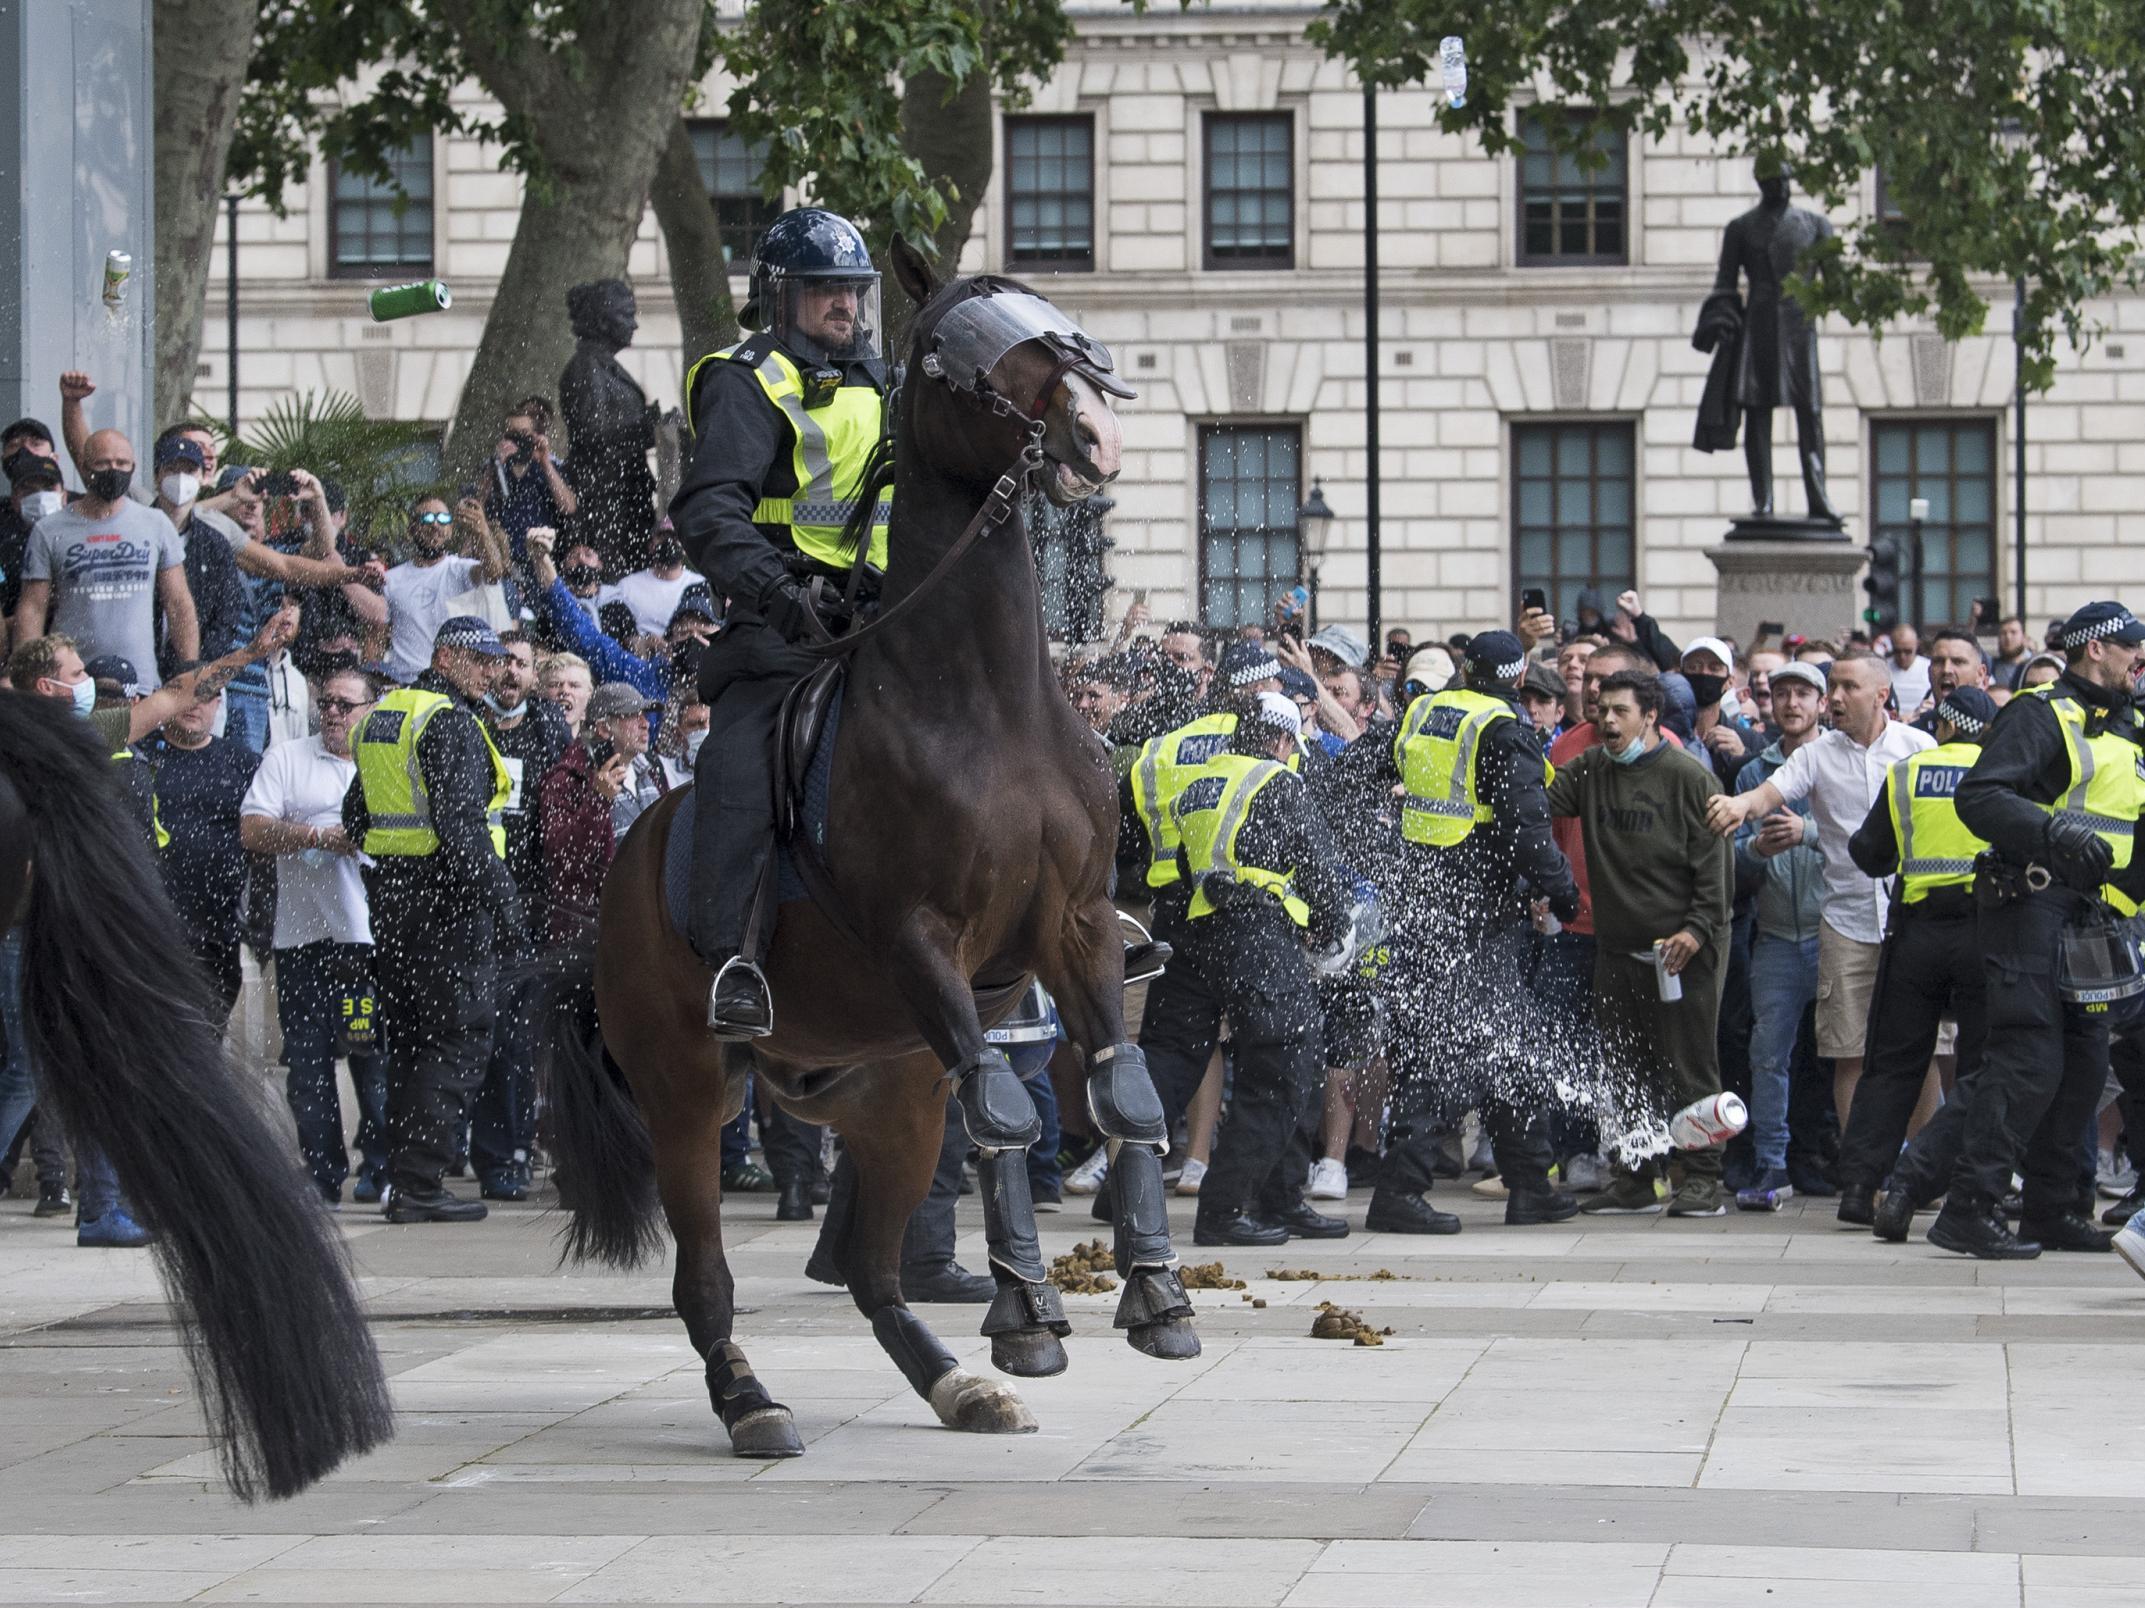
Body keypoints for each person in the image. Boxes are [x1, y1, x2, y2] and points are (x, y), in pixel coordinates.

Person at [670, 206, 890, 1035]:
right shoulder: (746, 377)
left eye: (851, 290)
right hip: (789, 619)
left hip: (893, 612)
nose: (842, 304)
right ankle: (733, 958)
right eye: (823, 289)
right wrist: (775, 594)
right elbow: (710, 512)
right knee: (744, 763)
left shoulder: (889, 381)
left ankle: (1071, 913)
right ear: (779, 297)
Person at [1921, 603, 2145, 1258]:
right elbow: (1980, 795)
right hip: (2028, 904)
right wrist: (2050, 831)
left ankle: (2051, 1208)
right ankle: (1969, 1206)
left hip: (2094, 917)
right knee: (2029, 1060)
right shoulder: (2039, 711)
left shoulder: (2127, 727)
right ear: (2094, 649)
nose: (2140, 659)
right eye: (2131, 646)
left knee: (2082, 1061)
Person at [1355, 630, 1581, 1233]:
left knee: (1511, 1043)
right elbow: (1527, 834)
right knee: (1448, 1049)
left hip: (1426, 902)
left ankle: (1530, 1183)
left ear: (1466, 668)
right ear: (1520, 673)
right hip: (1477, 914)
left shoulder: (1426, 710)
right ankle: (1400, 1191)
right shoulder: (1508, 730)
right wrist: (1564, 892)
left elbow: (1355, 775)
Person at [1703, 650, 1934, 1220]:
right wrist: (1739, 805)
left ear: (1881, 694)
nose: (1834, 697)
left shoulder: (1918, 750)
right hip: (1847, 924)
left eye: (1847, 687)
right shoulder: (1820, 754)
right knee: (1849, 1054)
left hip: (1912, 923)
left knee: (1918, 1054)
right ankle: (1865, 1176)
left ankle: (1925, 1172)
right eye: (1832, 687)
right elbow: (1771, 793)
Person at [1152, 692, 1355, 1246]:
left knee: (1183, 1059)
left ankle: (1280, 1198)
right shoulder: (1277, 781)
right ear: (1284, 739)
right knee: (1282, 1071)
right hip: (1259, 941)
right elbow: (1316, 863)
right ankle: (1226, 1211)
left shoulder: (1201, 782)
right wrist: (1334, 925)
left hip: (1197, 935)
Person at [343, 615, 524, 1223]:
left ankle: (407, 1178)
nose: (493, 671)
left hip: (393, 905)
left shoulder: (382, 715)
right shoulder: (449, 722)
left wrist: (395, 872)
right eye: (481, 660)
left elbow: (356, 819)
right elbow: (463, 830)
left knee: (414, 1040)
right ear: (446, 658)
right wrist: (505, 904)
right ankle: (421, 1184)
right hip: (449, 906)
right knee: (457, 1037)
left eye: (498, 660)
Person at [1549, 669, 1736, 1217]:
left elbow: (1716, 873)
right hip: (1617, 949)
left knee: (1690, 1064)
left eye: (1620, 711)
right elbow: (1539, 799)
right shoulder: (1589, 770)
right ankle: (1637, 1174)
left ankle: (1702, 1176)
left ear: (1650, 717)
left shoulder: (1689, 778)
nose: (1607, 719)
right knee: (1625, 1067)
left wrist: (1695, 931)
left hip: (1682, 952)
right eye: (1602, 709)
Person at [1839, 687, 1999, 1239]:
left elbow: (1868, 852)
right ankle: (1965, 1186)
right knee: (1981, 1069)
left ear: (1945, 726)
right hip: (1986, 933)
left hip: (1916, 934)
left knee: (1892, 1065)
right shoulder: (2003, 774)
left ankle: (1860, 1188)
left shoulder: (1909, 772)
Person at [240, 665, 389, 1205]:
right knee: (306, 1064)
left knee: (371, 1056)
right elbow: (253, 829)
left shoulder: (385, 762)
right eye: (325, 702)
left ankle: (380, 1165)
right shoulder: (287, 758)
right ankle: (322, 1171)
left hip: (362, 942)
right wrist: (315, 835)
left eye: (345, 705)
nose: (332, 713)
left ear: (372, 709)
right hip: (299, 940)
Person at [473, 629, 572, 1201]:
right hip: (473, 903)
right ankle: (488, 1154)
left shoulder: (549, 731)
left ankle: (510, 1154)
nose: (510, 674)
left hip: (530, 908)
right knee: (480, 1034)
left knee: (517, 1038)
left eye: (519, 664)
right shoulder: (466, 722)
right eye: (501, 662)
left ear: (535, 676)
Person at [1729, 660, 1829, 1208]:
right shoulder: (1753, 775)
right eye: (1781, 693)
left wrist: (1807, 832)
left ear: (1821, 702)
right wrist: (1755, 850)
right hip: (1774, 935)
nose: (1791, 703)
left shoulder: (1839, 760)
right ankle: (1772, 1162)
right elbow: (1735, 854)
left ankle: (1853, 1158)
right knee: (1768, 1052)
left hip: (1833, 929)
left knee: (1851, 1053)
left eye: (1802, 694)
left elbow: (1861, 841)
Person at [14, 428, 198, 687]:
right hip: (69, 681)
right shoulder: (49, 529)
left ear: (133, 467)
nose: (113, 470)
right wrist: (29, 679)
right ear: (85, 466)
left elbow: (179, 603)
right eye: (103, 463)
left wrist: (189, 668)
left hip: (140, 682)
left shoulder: (155, 523)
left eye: (122, 463)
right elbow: (32, 608)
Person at [134, 672, 263, 1021]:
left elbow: (262, 839)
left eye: (207, 696)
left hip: (216, 929)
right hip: (149, 927)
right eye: (186, 694)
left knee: (206, 1040)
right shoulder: (139, 756)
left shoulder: (244, 764)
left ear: (219, 704)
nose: (195, 704)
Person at [380, 497, 512, 684]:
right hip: (405, 683)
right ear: (412, 529)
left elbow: (494, 574)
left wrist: (481, 532)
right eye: (426, 518)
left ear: (450, 530)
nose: (435, 524)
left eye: (443, 519)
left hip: (451, 682)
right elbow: (376, 637)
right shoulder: (391, 580)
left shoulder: (460, 570)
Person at [483, 395, 578, 565]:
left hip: (543, 561)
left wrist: (545, 462)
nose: (517, 439)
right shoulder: (494, 466)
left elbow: (568, 507)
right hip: (502, 561)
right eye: (511, 434)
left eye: (523, 434)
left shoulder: (551, 466)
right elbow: (478, 504)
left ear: (536, 435)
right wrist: (496, 466)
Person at [611, 523, 709, 638]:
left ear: (685, 548)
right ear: (651, 545)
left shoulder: (701, 585)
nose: (669, 543)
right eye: (663, 537)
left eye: (675, 538)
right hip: (638, 653)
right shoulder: (627, 586)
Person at [538, 650, 595, 737]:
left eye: (574, 686)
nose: (565, 691)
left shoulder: (599, 749)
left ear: (588, 696)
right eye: (554, 685)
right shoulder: (523, 743)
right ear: (540, 693)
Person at [1887, 624, 1931, 713]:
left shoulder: (1929, 667)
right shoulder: (1882, 668)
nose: (1902, 656)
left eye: (1907, 651)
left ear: (1917, 645)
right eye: (1897, 651)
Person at [1992, 615, 2033, 692]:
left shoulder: (2034, 665)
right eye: (2003, 633)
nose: (2008, 637)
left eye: (2013, 632)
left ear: (2023, 637)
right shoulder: (1991, 667)